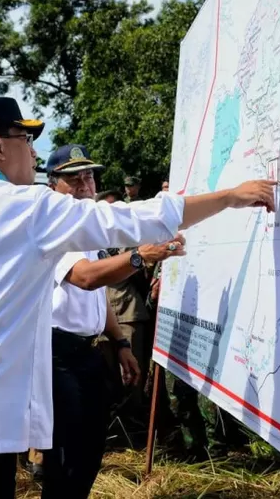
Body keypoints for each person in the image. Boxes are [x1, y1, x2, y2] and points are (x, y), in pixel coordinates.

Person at [0, 96, 276, 498]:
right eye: (25, 140)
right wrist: (229, 197)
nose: (33, 153)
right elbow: (133, 219)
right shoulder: (26, 206)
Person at [42, 144, 186, 498]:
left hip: (86, 352)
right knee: (66, 453)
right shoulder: (54, 225)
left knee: (90, 449)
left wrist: (121, 343)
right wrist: (141, 256)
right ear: (53, 186)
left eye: (88, 175)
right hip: (57, 352)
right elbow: (87, 278)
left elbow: (96, 297)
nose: (84, 184)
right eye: (72, 179)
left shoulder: (87, 228)